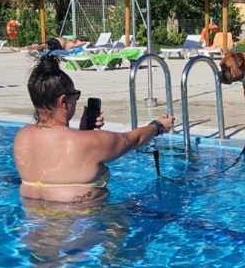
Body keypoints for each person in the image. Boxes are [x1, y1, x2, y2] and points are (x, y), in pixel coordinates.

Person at [13, 53, 175, 205]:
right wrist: (158, 125)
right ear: (63, 101)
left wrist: (84, 133)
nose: (76, 100)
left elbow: (62, 163)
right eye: (75, 95)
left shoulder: (21, 137)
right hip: (84, 225)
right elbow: (133, 140)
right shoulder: (86, 142)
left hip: (32, 224)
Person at [11, 36, 89, 53]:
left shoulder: (77, 43)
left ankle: (19, 49)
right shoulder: (73, 41)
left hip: (57, 44)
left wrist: (83, 39)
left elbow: (85, 42)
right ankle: (22, 48)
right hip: (54, 41)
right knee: (38, 45)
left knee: (39, 46)